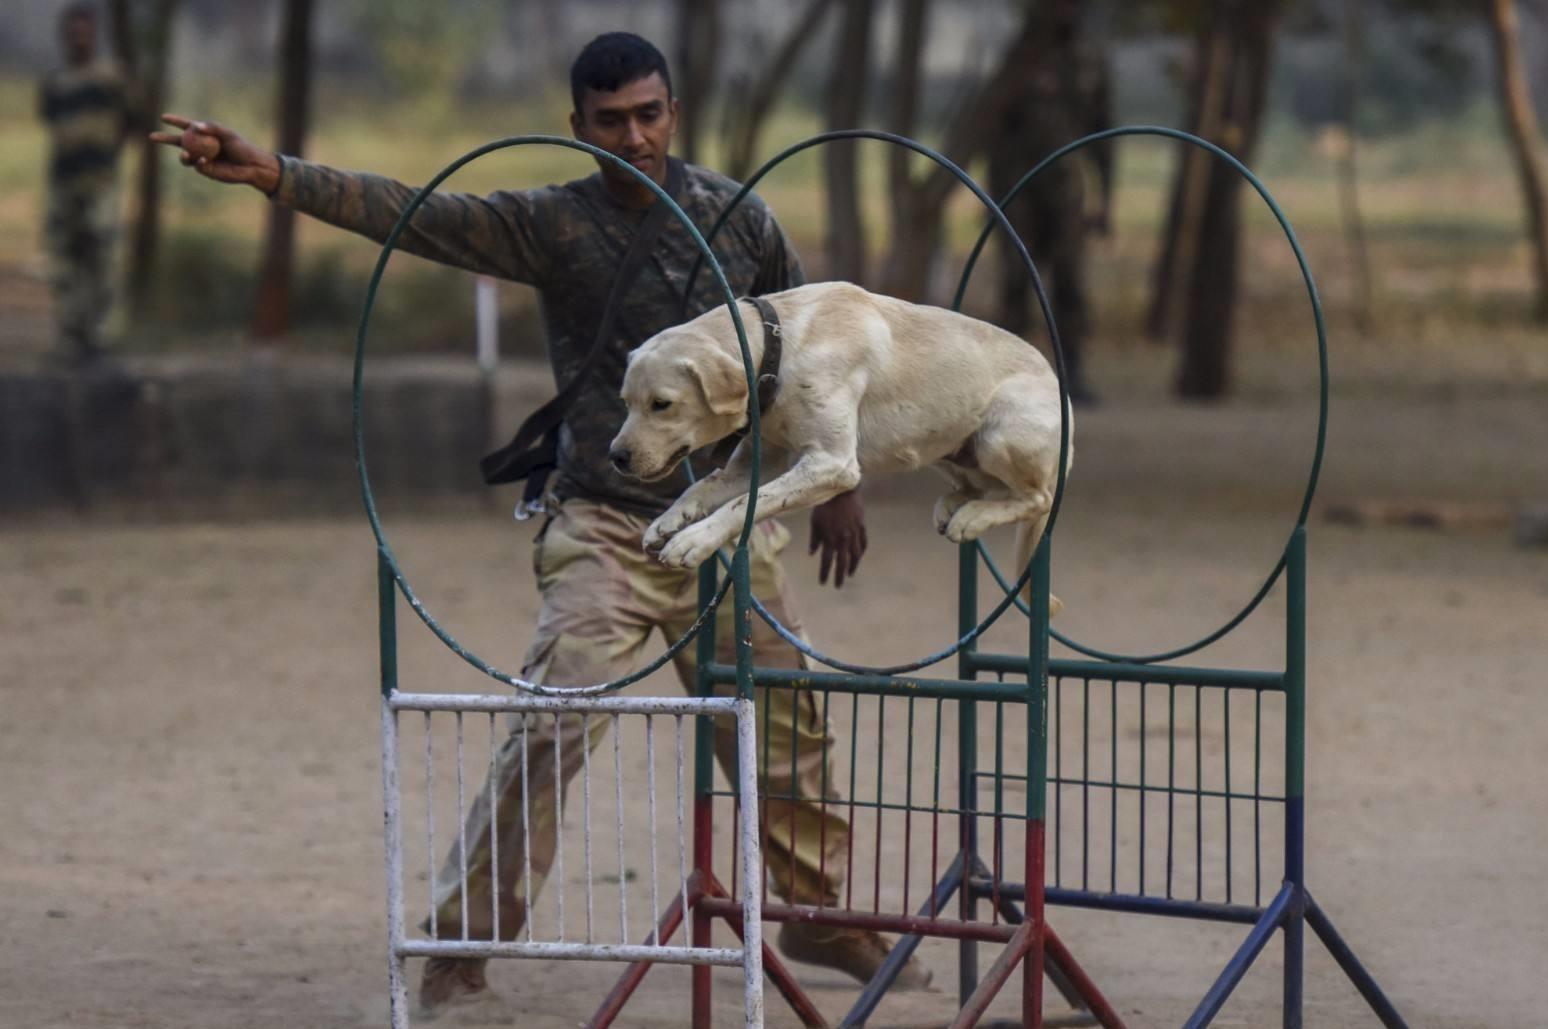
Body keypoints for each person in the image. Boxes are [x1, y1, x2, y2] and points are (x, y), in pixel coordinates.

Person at [154, 31, 926, 1015]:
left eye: (648, 115)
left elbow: (811, 348)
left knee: (786, 723)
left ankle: (820, 913)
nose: (634, 135)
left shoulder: (739, 220)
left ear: (672, 114)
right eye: (611, 121)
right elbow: (420, 217)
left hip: (727, 524)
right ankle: (460, 950)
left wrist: (839, 482)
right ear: (580, 128)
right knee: (553, 722)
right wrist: (276, 175)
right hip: (607, 526)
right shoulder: (551, 227)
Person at [986, 4, 1113, 406]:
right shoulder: (1018, 57)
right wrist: (994, 201)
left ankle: (1071, 372)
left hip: (1067, 192)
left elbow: (1104, 136)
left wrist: (1106, 200)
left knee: (1070, 283)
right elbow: (991, 128)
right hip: (1017, 191)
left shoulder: (1090, 59)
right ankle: (1011, 378)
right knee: (1015, 285)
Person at [38, 1, 136, 366]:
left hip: (100, 181)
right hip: (64, 180)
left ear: (93, 36)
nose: (79, 39)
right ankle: (70, 336)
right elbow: (50, 122)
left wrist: (106, 152)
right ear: (65, 37)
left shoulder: (111, 77)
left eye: (85, 31)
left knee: (103, 258)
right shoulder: (56, 82)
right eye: (73, 32)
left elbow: (131, 119)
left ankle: (102, 338)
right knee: (66, 260)